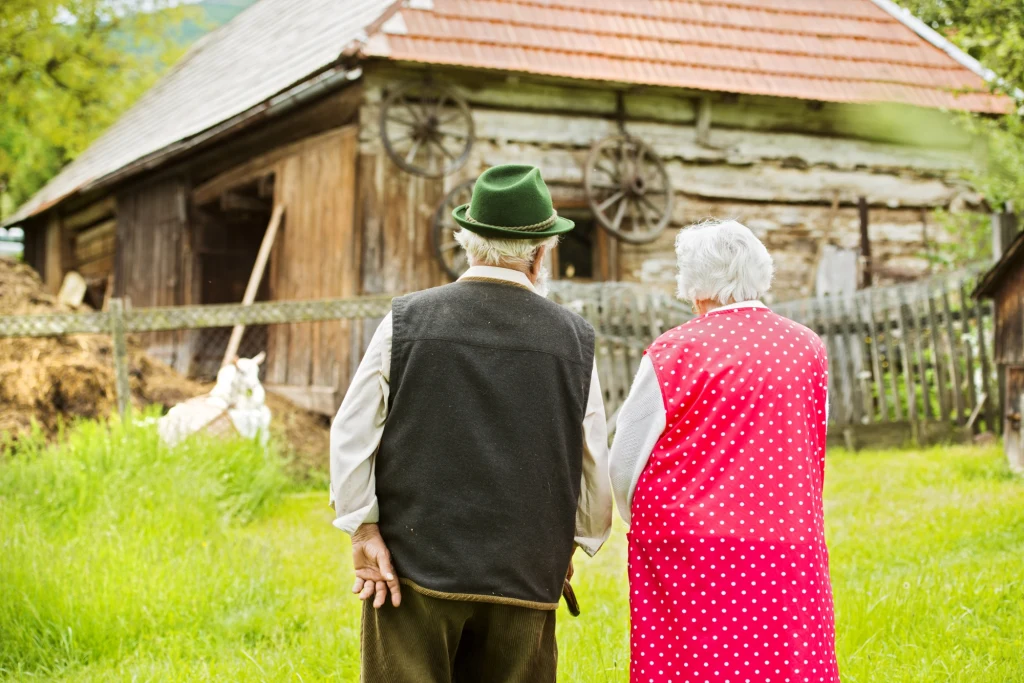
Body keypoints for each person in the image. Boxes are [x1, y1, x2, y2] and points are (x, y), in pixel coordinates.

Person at [330, 164, 613, 683]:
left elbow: (352, 430)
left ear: (468, 242)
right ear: (540, 252)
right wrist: (573, 541)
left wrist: (362, 526)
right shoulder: (575, 340)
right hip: (525, 575)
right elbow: (592, 454)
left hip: (413, 572)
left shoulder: (407, 320)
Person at [609, 220, 839, 683]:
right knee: (784, 665)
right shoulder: (807, 348)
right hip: (788, 542)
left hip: (690, 548)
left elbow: (625, 457)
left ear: (695, 288)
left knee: (694, 667)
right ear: (761, 273)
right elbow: (813, 440)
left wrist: (642, 522)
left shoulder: (674, 350)